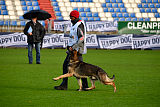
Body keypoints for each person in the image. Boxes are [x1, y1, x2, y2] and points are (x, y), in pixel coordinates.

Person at [54, 10, 88, 90]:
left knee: (79, 67)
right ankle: (65, 84)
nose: (70, 19)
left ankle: (66, 85)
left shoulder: (79, 25)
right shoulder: (75, 25)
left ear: (75, 17)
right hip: (72, 50)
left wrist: (74, 46)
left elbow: (81, 38)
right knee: (67, 65)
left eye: (71, 17)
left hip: (77, 50)